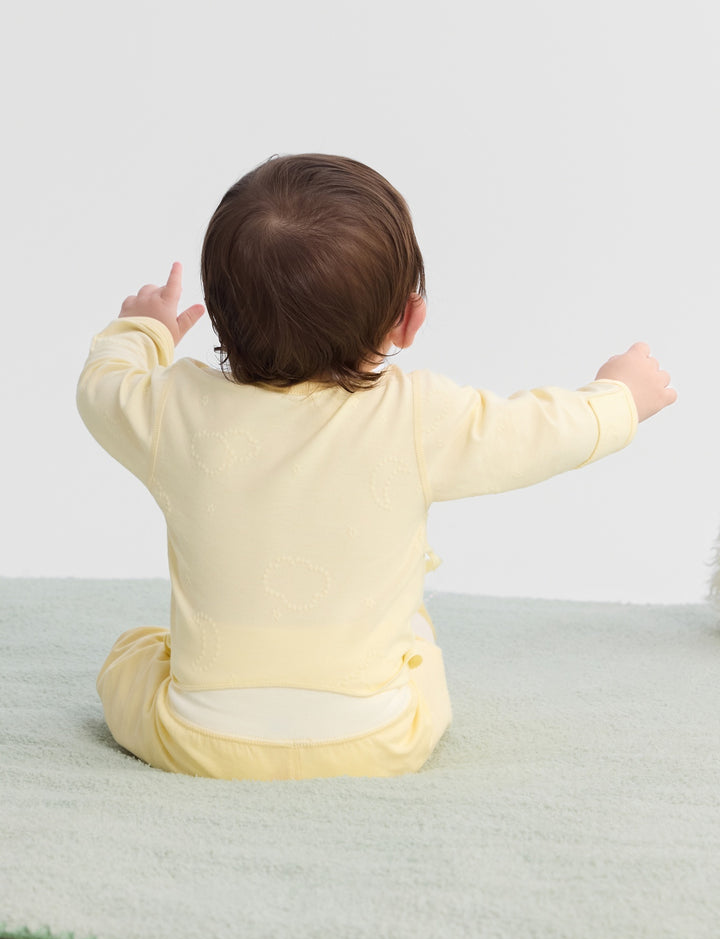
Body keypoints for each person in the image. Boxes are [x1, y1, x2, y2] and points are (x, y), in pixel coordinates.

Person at [76, 153, 676, 780]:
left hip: (196, 740)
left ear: (219, 317)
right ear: (409, 320)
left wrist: (143, 329)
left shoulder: (172, 409)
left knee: (134, 653)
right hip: (379, 740)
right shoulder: (420, 417)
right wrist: (620, 397)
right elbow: (540, 433)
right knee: (418, 645)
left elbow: (102, 386)